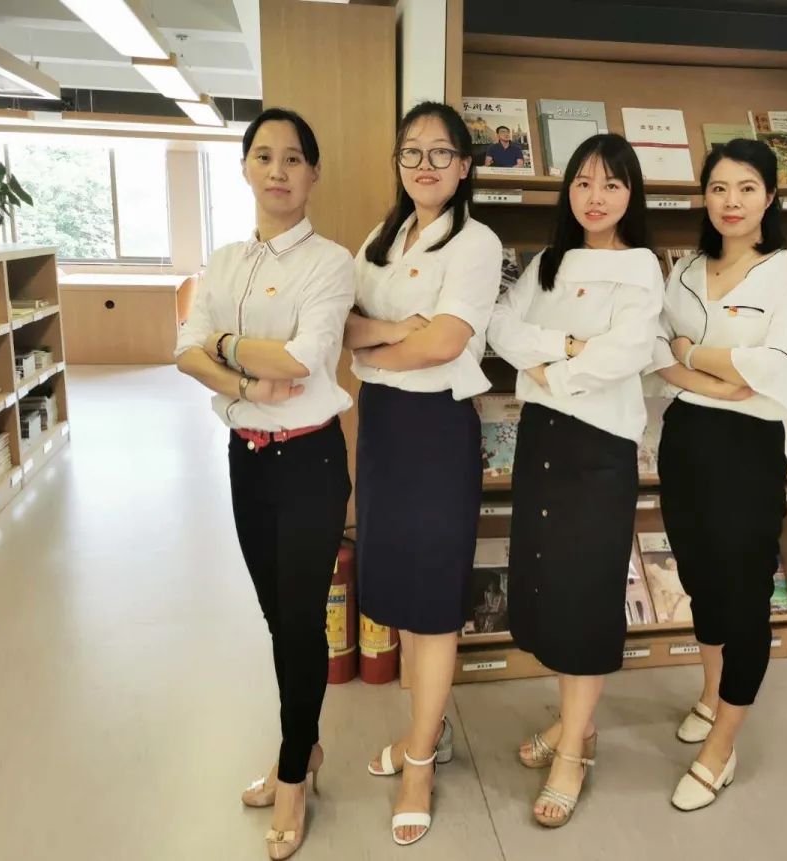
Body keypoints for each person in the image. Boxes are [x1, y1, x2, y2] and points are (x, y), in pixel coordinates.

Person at [175, 108, 353, 860]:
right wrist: (245, 375)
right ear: (246, 167)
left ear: (313, 174)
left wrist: (224, 347)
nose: (277, 170)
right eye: (263, 155)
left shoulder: (330, 263)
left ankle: (291, 775)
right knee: (280, 620)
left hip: (311, 462)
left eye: (293, 158)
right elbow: (185, 351)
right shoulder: (223, 261)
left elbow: (304, 359)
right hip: (246, 457)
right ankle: (303, 744)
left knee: (301, 620)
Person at [486, 133, 664, 827]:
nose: (596, 196)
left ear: (631, 194)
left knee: (586, 596)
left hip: (600, 449)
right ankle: (573, 723)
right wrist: (565, 347)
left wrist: (545, 373)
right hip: (543, 442)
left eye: (611, 184)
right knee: (547, 588)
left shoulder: (642, 266)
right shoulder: (548, 262)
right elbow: (501, 327)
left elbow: (626, 354)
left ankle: (572, 752)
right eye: (584, 182)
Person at [345, 100, 502, 846]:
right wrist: (387, 332)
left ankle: (418, 765)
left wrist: (376, 351)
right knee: (402, 596)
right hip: (381, 427)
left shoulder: (476, 241)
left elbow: (444, 343)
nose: (425, 165)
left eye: (441, 152)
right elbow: (343, 324)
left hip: (437, 428)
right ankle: (426, 732)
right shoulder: (379, 238)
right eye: (412, 151)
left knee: (433, 601)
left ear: (465, 166)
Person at [651, 138, 787, 811]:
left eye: (747, 187)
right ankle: (710, 691)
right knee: (700, 579)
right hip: (685, 439)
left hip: (749, 450)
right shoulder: (686, 269)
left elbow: (775, 367)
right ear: (704, 196)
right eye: (719, 187)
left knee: (745, 597)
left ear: (770, 197)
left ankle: (722, 746)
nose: (731, 201)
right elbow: (656, 352)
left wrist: (693, 354)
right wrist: (718, 376)